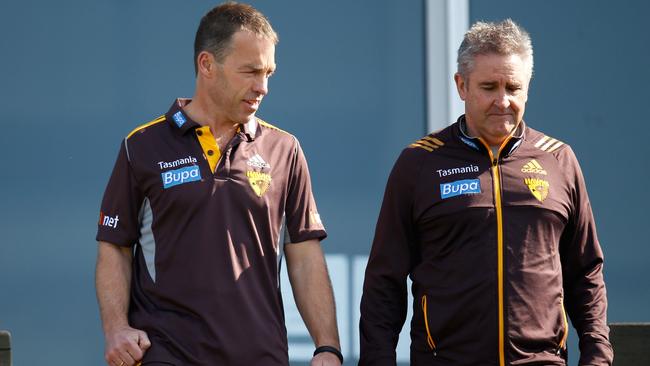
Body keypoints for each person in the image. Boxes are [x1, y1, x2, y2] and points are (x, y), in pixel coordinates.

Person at [95, 3, 342, 366]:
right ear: (207, 65)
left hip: (261, 356)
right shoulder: (142, 146)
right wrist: (116, 329)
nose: (263, 87)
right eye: (251, 72)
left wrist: (327, 346)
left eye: (269, 73)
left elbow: (304, 256)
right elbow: (113, 248)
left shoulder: (284, 149)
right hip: (168, 354)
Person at [359, 19, 613, 365]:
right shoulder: (418, 163)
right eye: (489, 87)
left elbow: (585, 272)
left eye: (513, 87)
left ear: (528, 88)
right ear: (461, 86)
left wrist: (598, 355)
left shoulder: (559, 159)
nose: (503, 101)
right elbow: (384, 281)